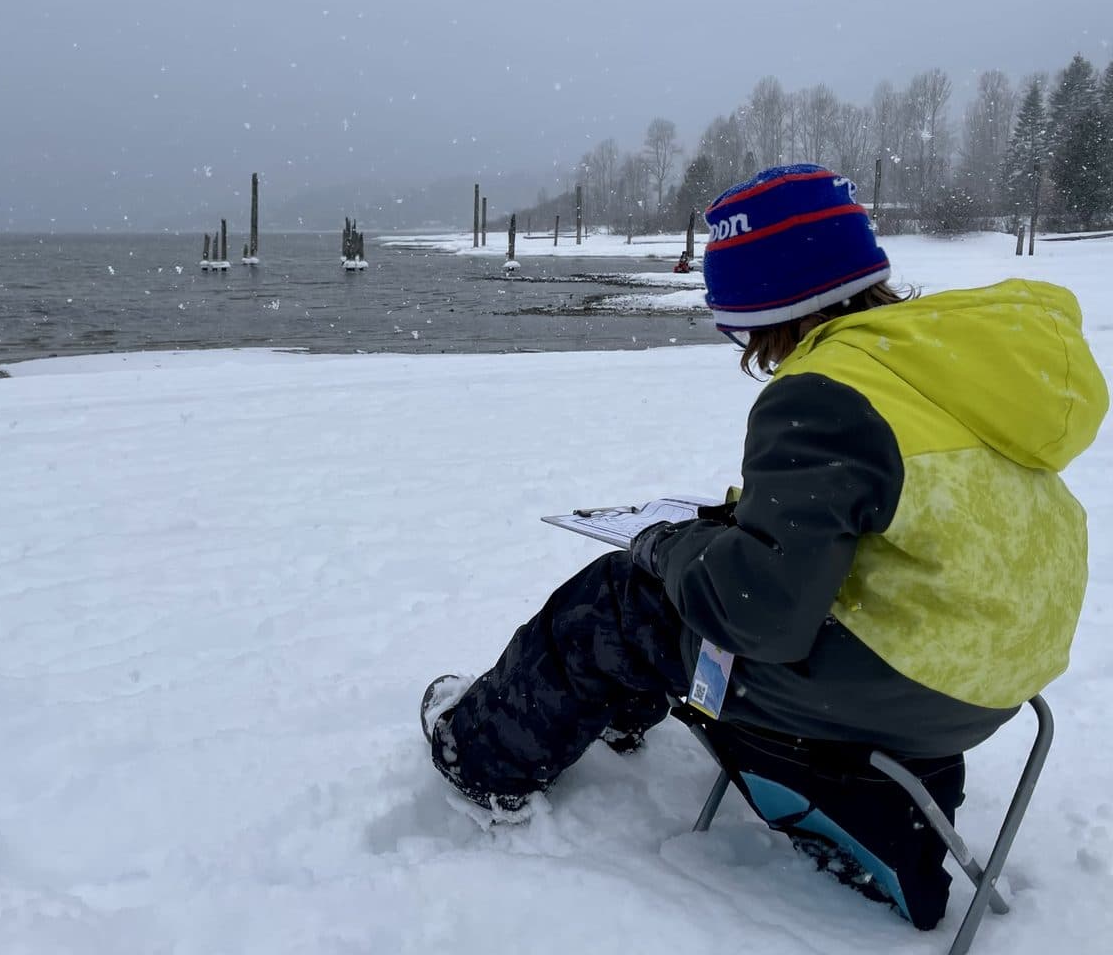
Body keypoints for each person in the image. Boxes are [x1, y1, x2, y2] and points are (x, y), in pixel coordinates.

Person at [421, 163, 1108, 928]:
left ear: (761, 303)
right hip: (998, 674)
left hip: (905, 682)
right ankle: (620, 714)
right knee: (690, 573)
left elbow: (763, 618)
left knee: (622, 597)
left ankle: (479, 756)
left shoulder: (825, 394)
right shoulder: (938, 361)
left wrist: (662, 548)